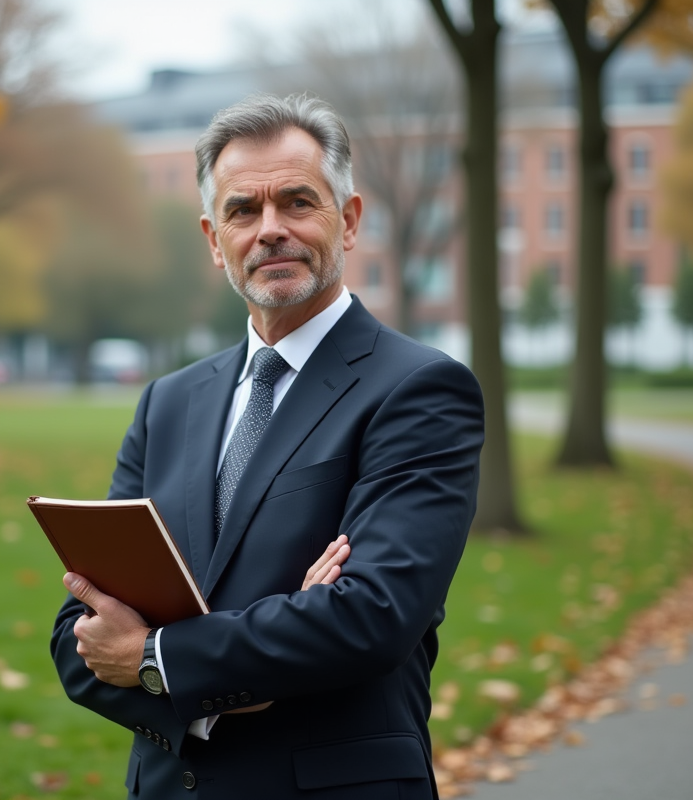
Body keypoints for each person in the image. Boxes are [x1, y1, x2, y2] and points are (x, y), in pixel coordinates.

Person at [51, 93, 484, 799]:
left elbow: (370, 616)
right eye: (243, 210)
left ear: (347, 221)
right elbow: (80, 636)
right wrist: (232, 682)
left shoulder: (420, 390)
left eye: (297, 202)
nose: (270, 229)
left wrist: (158, 658)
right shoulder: (168, 403)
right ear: (212, 238)